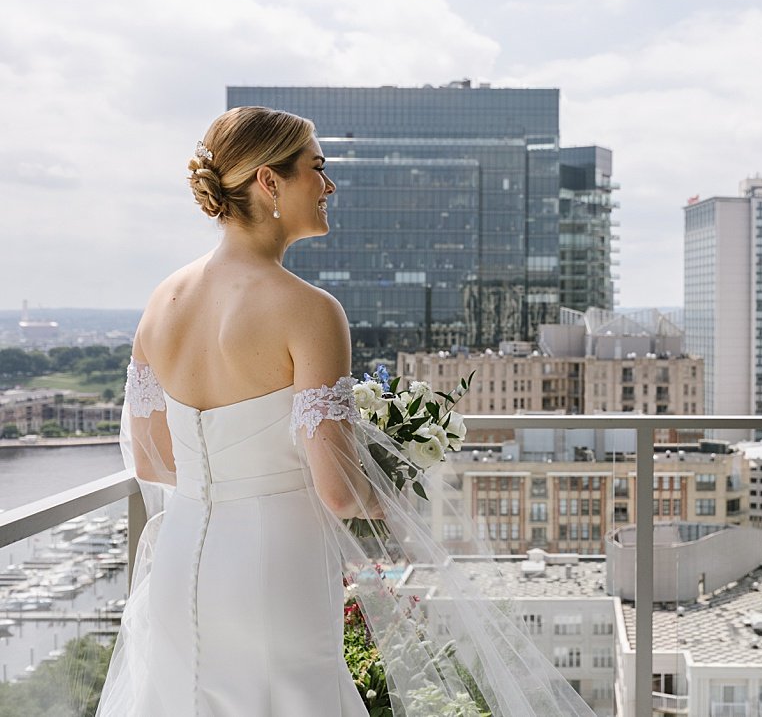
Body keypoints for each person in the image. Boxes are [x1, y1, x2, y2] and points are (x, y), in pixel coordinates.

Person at [96, 106, 590, 717]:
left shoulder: (162, 300)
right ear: (268, 182)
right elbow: (340, 494)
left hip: (180, 562)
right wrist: (394, 481)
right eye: (317, 168)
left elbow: (153, 458)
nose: (329, 186)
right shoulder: (308, 310)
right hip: (274, 564)